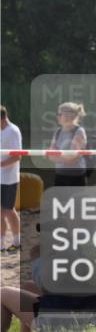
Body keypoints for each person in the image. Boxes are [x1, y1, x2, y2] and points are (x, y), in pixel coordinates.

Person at [48, 102, 88, 187]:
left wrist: (57, 157)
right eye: (58, 114)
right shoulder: (58, 131)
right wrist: (63, 157)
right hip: (60, 174)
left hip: (76, 176)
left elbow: (72, 159)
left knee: (76, 200)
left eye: (60, 114)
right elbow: (50, 155)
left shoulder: (79, 131)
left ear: (69, 116)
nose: (57, 117)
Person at [0, 106, 21, 254]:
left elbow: (17, 156)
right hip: (1, 177)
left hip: (9, 178)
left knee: (8, 211)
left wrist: (0, 164)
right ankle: (2, 244)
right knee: (2, 211)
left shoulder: (12, 131)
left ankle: (17, 241)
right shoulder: (2, 130)